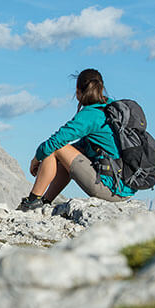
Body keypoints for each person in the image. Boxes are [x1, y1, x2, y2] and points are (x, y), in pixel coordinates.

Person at [17, 68, 135, 211]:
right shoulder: (111, 109)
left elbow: (54, 142)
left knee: (56, 148)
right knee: (64, 154)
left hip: (111, 188)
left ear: (78, 91)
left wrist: (35, 160)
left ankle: (32, 201)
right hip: (124, 186)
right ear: (101, 88)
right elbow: (85, 147)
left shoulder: (90, 115)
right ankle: (45, 202)